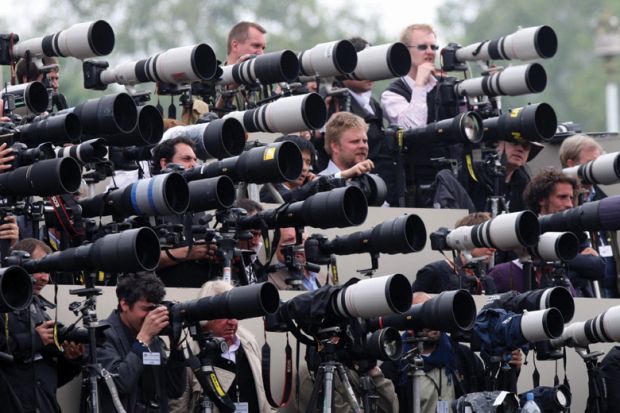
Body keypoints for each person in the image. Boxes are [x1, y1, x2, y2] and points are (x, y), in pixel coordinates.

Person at [488, 168, 605, 296]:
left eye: (571, 198)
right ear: (541, 199)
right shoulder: (523, 231)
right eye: (562, 197)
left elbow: (597, 267)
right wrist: (577, 263)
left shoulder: (575, 231)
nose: (570, 204)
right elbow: (518, 269)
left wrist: (554, 259)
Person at [0, 238, 83, 412]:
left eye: (48, 271)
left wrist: (71, 360)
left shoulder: (39, 310)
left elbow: (51, 380)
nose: (45, 278)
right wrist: (34, 340)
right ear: (19, 262)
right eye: (40, 269)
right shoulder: (3, 307)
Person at [169, 280, 273, 412]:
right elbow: (178, 408)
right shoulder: (189, 352)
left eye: (235, 314)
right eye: (225, 315)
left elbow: (264, 397)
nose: (232, 322)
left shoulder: (249, 343)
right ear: (205, 313)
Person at [380, 292, 488, 413]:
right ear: (408, 324)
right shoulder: (396, 365)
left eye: (433, 312)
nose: (432, 320)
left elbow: (487, 396)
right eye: (424, 313)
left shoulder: (462, 356)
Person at [96, 273, 186, 412]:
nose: (151, 316)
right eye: (146, 309)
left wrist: (176, 347)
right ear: (124, 304)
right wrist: (144, 338)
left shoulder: (154, 340)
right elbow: (119, 384)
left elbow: (174, 390)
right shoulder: (101, 335)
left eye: (154, 309)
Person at [151, 136, 218, 288]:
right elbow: (141, 260)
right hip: (163, 297)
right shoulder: (148, 203)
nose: (194, 165)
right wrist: (189, 253)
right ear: (165, 164)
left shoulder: (197, 205)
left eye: (195, 160)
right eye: (186, 159)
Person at [560, 134, 620, 298]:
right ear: (571, 164)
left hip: (612, 288)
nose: (596, 169)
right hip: (586, 291)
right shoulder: (563, 205)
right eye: (591, 163)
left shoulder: (604, 200)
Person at [413, 212, 497, 295]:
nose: (493, 249)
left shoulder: (487, 282)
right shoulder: (434, 272)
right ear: (468, 240)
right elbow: (411, 304)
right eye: (486, 242)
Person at [468, 139, 544, 213]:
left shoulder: (524, 185)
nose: (521, 149)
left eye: (525, 146)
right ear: (496, 144)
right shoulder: (475, 175)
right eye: (514, 142)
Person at [216, 21, 267, 113]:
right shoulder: (211, 82)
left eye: (263, 48)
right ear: (235, 46)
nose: (261, 53)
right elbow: (206, 123)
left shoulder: (260, 84)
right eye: (256, 46)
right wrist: (231, 86)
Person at [266, 226, 326, 290]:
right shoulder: (268, 282)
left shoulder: (325, 277)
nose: (298, 245)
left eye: (302, 240)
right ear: (276, 246)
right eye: (289, 240)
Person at [319, 111, 375, 179]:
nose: (363, 146)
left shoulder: (370, 182)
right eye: (355, 141)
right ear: (335, 146)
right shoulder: (318, 185)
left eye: (365, 141)